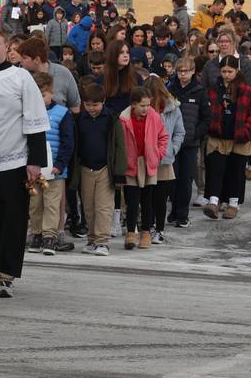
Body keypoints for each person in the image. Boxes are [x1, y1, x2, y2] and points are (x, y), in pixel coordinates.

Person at [0, 25, 49, 298]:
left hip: (13, 160)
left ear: (8, 46)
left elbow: (35, 120)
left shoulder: (20, 77)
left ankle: (5, 274)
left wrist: (35, 162)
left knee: (12, 219)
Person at [69, 83, 127, 257]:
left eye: (95, 105)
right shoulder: (79, 119)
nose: (91, 108)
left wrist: (119, 172)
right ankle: (92, 239)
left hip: (105, 169)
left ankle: (102, 241)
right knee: (88, 207)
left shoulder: (112, 119)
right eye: (87, 105)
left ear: (103, 101)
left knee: (103, 206)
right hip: (85, 168)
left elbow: (120, 146)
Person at [203, 56, 251, 220]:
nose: (226, 74)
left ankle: (233, 204)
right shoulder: (214, 89)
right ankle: (213, 201)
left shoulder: (246, 90)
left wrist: (246, 132)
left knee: (235, 172)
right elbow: (207, 111)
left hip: (239, 138)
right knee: (216, 169)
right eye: (223, 71)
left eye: (230, 71)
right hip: (218, 137)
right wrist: (210, 126)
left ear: (237, 71)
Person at [26, 72, 74, 255]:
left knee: (52, 203)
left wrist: (60, 164)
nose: (39, 99)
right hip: (34, 170)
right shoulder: (28, 113)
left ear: (51, 93)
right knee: (35, 203)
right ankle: (37, 235)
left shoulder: (62, 114)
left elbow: (68, 142)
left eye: (43, 95)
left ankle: (49, 237)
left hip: (54, 170)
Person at [119, 86, 169, 249]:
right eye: (142, 105)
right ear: (133, 104)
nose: (146, 109)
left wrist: (158, 154)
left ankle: (146, 232)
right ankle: (131, 233)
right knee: (132, 201)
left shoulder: (154, 117)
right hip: (131, 163)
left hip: (148, 162)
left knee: (147, 201)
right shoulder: (124, 118)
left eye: (148, 105)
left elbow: (163, 136)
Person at [167, 57, 209, 227]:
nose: (183, 75)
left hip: (190, 143)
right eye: (180, 71)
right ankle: (174, 210)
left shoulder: (199, 91)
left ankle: (183, 213)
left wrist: (194, 134)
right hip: (172, 143)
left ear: (193, 72)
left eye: (186, 71)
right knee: (172, 179)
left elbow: (206, 118)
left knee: (186, 179)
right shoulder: (170, 89)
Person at [144, 76, 184, 244]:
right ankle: (148, 227)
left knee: (161, 198)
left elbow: (179, 132)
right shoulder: (142, 108)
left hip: (164, 160)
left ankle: (159, 229)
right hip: (145, 159)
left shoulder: (173, 108)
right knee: (147, 197)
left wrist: (172, 149)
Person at [17, 37, 81, 113]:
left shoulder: (63, 73)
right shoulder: (20, 75)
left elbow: (75, 107)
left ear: (37, 59)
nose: (20, 60)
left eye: (24, 58)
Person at [201, 27, 251, 92]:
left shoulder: (244, 62)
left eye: (227, 41)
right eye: (221, 41)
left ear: (234, 42)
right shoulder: (209, 64)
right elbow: (203, 90)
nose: (223, 44)